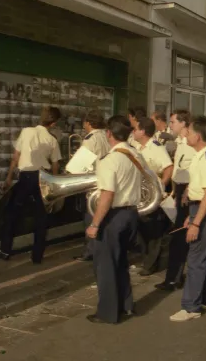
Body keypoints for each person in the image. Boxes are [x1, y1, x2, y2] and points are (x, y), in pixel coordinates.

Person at [85, 115, 143, 324]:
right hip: (131, 214)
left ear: (109, 134)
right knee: (121, 263)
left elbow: (107, 195)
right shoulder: (134, 154)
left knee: (106, 266)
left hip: (114, 216)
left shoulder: (109, 160)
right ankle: (126, 306)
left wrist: (94, 224)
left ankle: (108, 313)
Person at [0, 106, 62, 264]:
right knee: (41, 217)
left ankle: (5, 249)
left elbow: (16, 156)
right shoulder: (52, 140)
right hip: (43, 178)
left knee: (12, 212)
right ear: (54, 123)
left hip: (25, 176)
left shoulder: (26, 132)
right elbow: (55, 165)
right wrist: (54, 184)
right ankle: (37, 255)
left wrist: (9, 177)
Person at [170, 116, 206, 322]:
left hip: (205, 210)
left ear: (198, 136)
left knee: (195, 260)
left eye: (190, 132)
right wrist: (192, 217)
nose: (186, 135)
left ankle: (191, 307)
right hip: (200, 209)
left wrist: (196, 222)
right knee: (204, 258)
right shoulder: (203, 155)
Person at [155, 109, 195, 291]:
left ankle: (174, 278)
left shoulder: (191, 144)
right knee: (177, 235)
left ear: (183, 123)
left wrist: (186, 190)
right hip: (178, 190)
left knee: (179, 236)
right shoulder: (178, 142)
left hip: (188, 191)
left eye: (173, 122)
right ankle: (175, 276)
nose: (170, 125)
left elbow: (194, 171)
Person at [133, 117, 173, 276]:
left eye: (135, 129)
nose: (133, 132)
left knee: (153, 230)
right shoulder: (138, 147)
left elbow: (169, 167)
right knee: (142, 229)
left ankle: (151, 264)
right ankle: (147, 260)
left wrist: (160, 186)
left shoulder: (156, 147)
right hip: (141, 194)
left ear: (142, 131)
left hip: (152, 194)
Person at [74, 110, 111, 262]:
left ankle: (90, 250)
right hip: (105, 181)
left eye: (84, 123)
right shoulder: (106, 135)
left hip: (92, 182)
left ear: (88, 123)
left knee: (90, 217)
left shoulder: (90, 139)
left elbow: (79, 165)